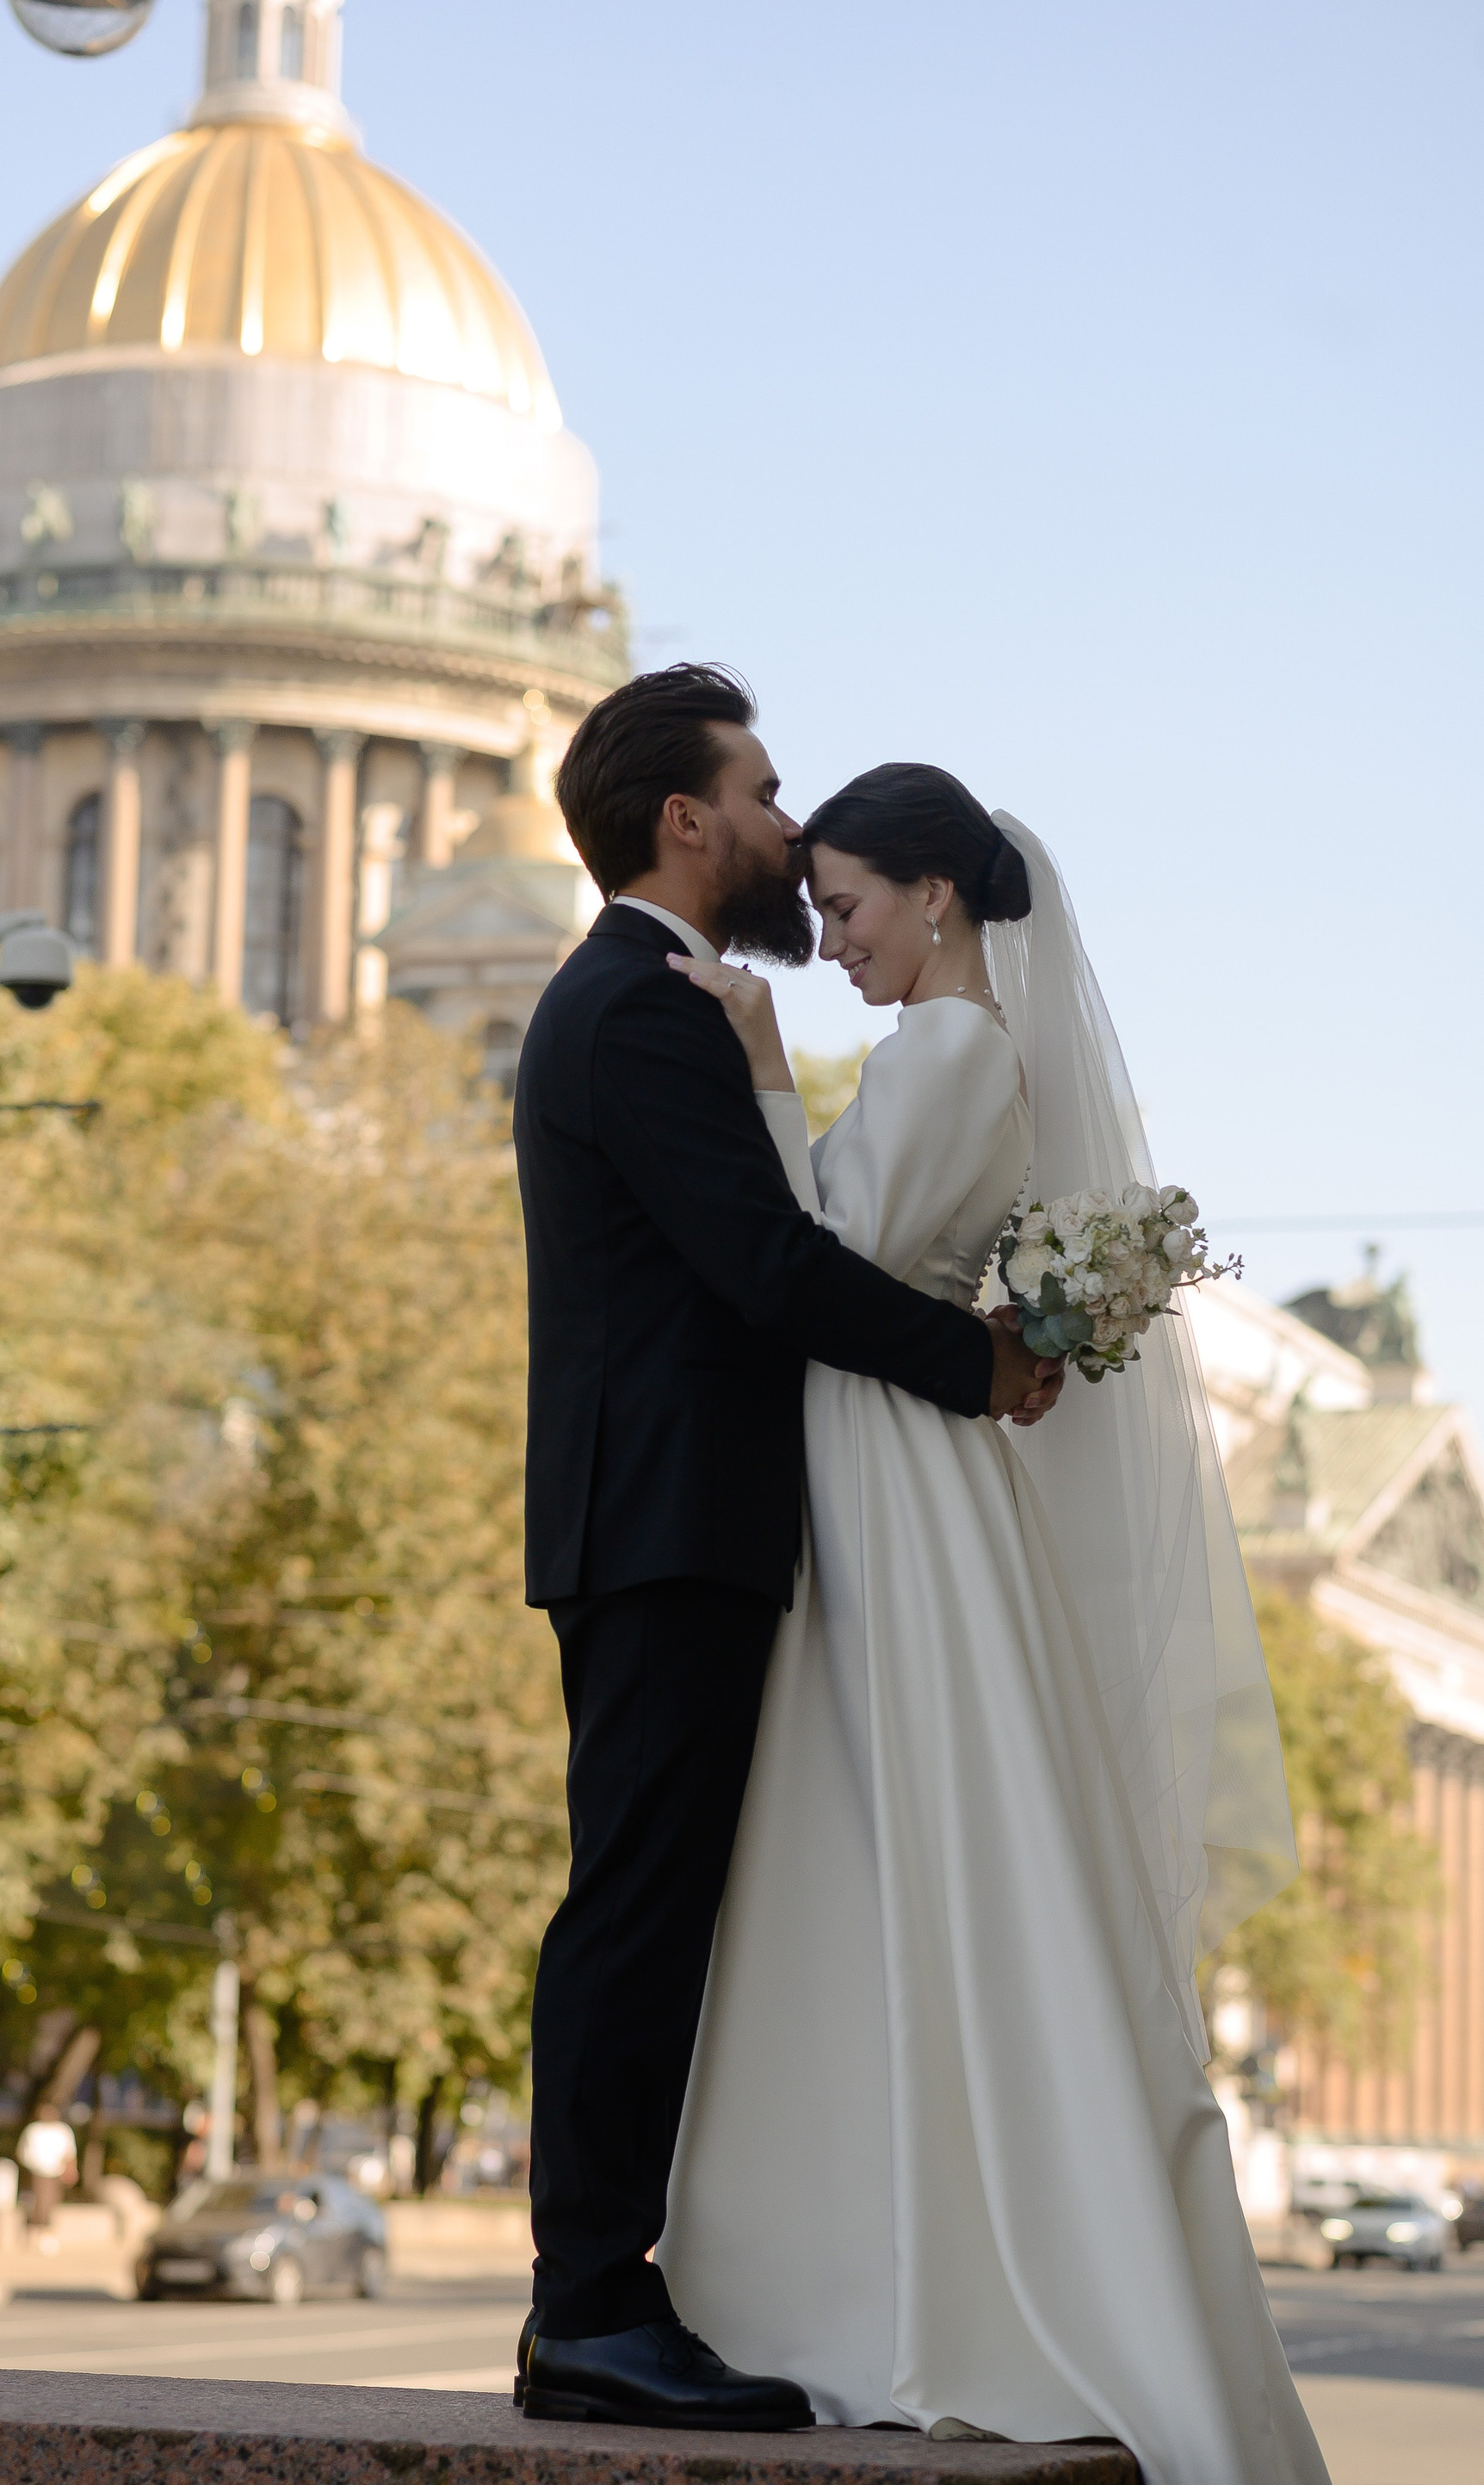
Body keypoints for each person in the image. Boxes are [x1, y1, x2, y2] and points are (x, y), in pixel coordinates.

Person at [659, 765, 1328, 2485]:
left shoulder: (945, 1051)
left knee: (894, 1828)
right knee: (922, 1839)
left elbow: (827, 1250)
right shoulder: (969, 1052)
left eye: (846, 907)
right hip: (913, 1452)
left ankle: (908, 2280)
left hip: (888, 1460)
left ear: (937, 894)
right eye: (819, 912)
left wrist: (758, 1072)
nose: (830, 941)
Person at [511, 670, 1064, 2430]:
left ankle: (616, 2293)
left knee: (658, 1903)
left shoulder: (651, 997)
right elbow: (772, 1265)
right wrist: (976, 1366)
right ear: (686, 820)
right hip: (665, 1520)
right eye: (759, 790)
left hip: (676, 1516)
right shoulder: (643, 1004)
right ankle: (588, 2307)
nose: (785, 818)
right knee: (635, 1909)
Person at [16, 2100, 77, 2233]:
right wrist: (33, 2165)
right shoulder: (33, 2130)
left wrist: (70, 2170)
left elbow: (69, 2153)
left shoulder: (63, 2130)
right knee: (40, 2200)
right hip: (39, 2171)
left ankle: (46, 2228)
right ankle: (38, 2227)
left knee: (52, 2201)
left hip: (57, 2171)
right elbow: (24, 2153)